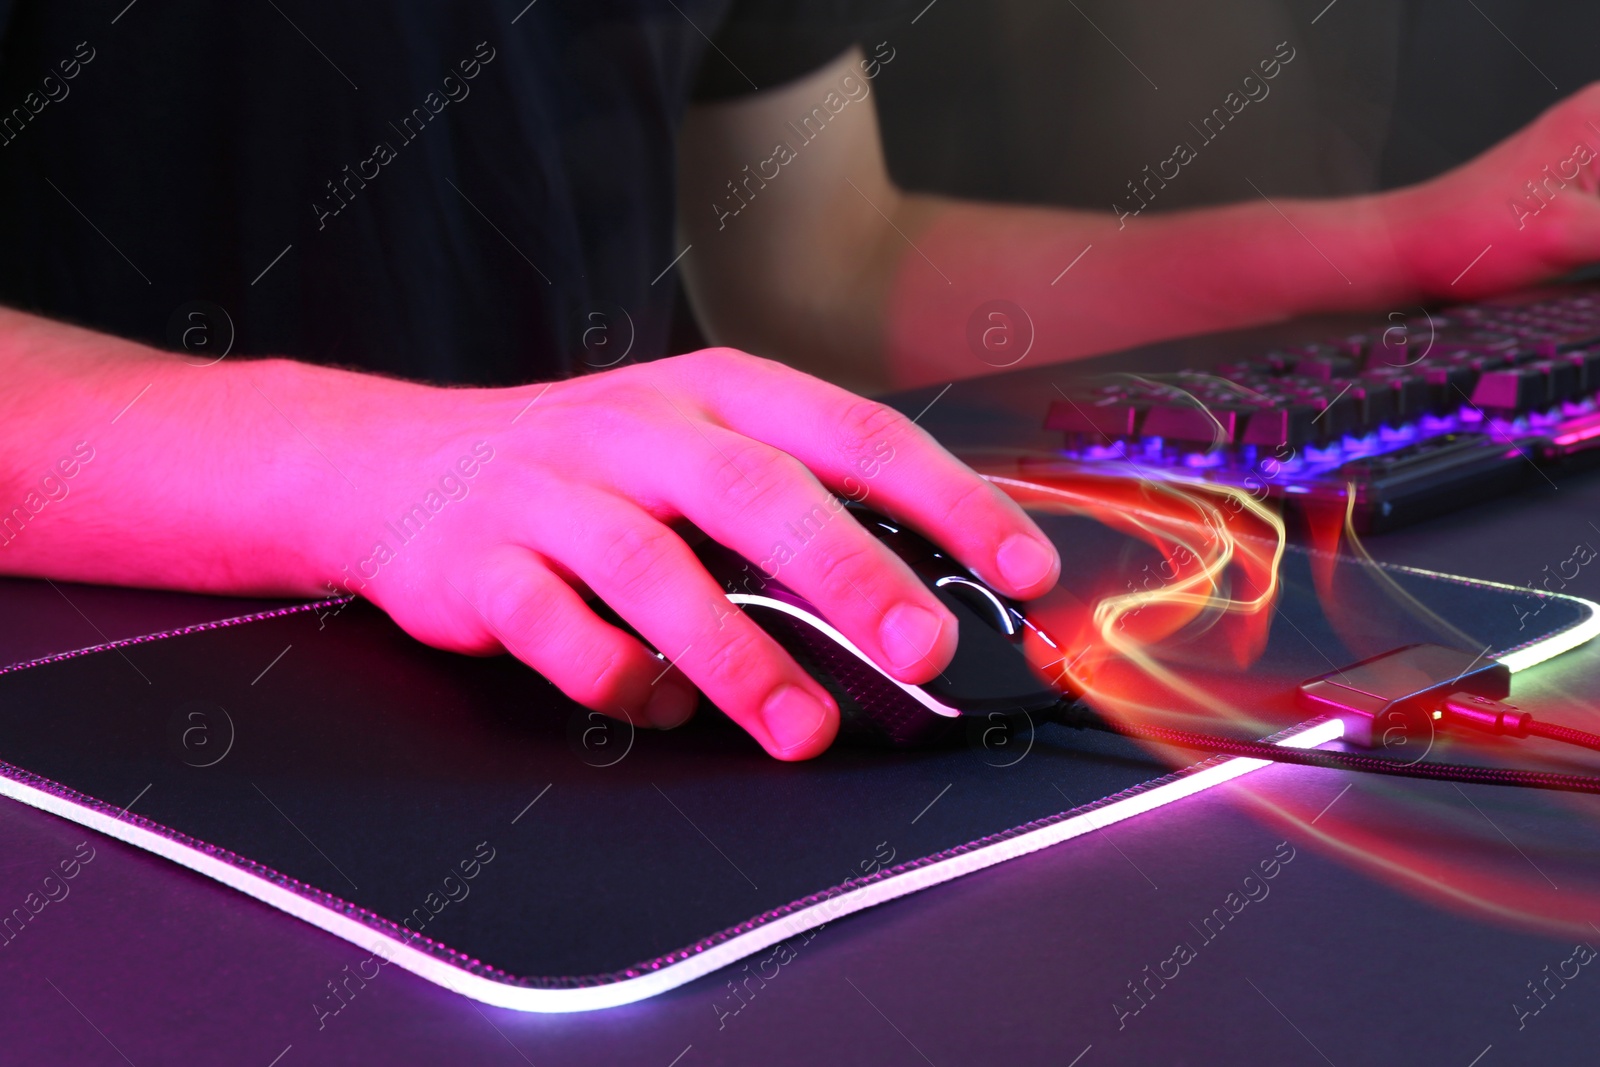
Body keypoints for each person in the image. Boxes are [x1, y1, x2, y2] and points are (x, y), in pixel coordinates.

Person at [0, 3, 1596, 761]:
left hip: (628, 679)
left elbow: (837, 269)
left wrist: (1415, 243)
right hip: (133, 732)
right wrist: (348, 459)